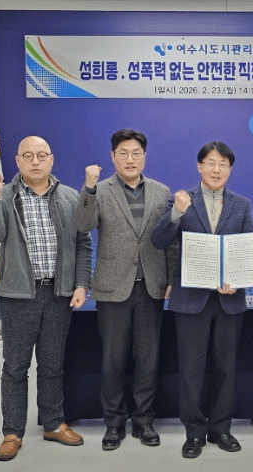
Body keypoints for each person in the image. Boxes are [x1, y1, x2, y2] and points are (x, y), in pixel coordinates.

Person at [0, 136, 92, 461]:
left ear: (52, 159)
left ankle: (54, 423)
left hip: (58, 294)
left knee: (52, 364)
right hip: (18, 296)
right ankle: (12, 432)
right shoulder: (4, 195)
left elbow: (83, 243)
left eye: (42, 155)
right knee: (15, 367)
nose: (35, 161)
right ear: (17, 161)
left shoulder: (69, 196)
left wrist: (81, 284)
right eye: (28, 156)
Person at [74, 129, 177, 451]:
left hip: (151, 287)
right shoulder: (100, 190)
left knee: (148, 359)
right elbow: (83, 224)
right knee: (113, 360)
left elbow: (169, 240)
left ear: (144, 156)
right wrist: (89, 187)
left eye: (136, 153)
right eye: (123, 153)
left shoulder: (161, 192)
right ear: (113, 157)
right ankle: (114, 423)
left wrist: (171, 277)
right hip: (112, 287)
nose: (130, 159)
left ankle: (144, 420)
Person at [151, 141, 253, 459]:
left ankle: (221, 429)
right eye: (210, 163)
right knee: (191, 370)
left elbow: (247, 252)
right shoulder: (181, 200)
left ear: (230, 170)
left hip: (228, 299)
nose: (216, 169)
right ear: (199, 166)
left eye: (223, 164)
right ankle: (194, 433)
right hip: (190, 298)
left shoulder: (242, 205)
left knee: (225, 368)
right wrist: (177, 213)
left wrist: (237, 281)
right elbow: (159, 240)